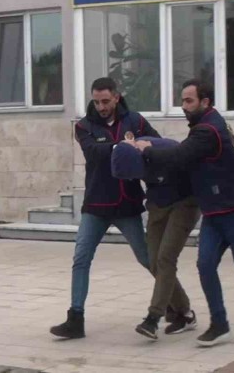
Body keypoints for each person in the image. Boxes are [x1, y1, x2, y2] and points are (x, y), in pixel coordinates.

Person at [133, 79, 234, 347]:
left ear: (205, 102)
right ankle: (219, 324)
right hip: (215, 213)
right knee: (205, 265)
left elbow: (178, 157)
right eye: (182, 100)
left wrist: (148, 149)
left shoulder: (208, 130)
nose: (183, 106)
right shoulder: (204, 126)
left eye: (189, 101)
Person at [49, 77, 157, 339]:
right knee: (81, 258)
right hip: (96, 204)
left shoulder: (135, 121)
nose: (101, 107)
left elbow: (155, 144)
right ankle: (75, 318)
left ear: (116, 97)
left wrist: (144, 149)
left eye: (106, 101)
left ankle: (178, 307)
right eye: (96, 102)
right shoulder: (84, 126)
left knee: (147, 258)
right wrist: (122, 146)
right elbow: (93, 152)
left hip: (127, 204)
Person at [113, 138, 202, 340]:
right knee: (153, 262)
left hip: (185, 204)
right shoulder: (126, 156)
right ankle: (185, 313)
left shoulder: (167, 151)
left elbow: (197, 172)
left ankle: (153, 318)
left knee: (166, 258)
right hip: (158, 204)